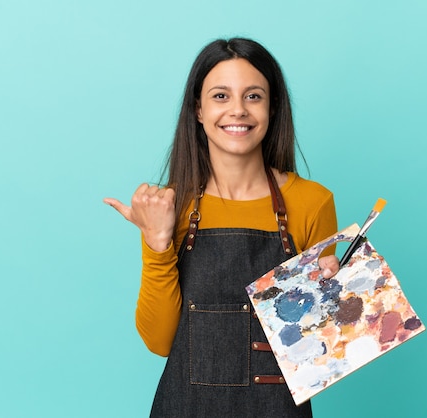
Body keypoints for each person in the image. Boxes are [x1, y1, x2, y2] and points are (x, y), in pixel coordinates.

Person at [104, 37, 340, 418]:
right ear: (198, 109)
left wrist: (337, 302)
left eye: (253, 96)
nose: (237, 110)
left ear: (272, 107)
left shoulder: (312, 202)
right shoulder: (170, 206)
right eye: (220, 96)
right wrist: (156, 241)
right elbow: (160, 342)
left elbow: (317, 353)